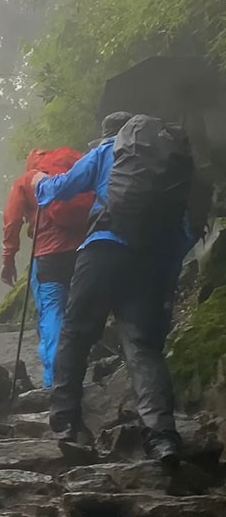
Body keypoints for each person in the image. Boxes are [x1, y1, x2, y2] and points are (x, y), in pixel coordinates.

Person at [32, 111, 199, 464]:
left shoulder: (107, 151)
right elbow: (183, 228)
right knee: (142, 346)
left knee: (76, 333)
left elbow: (57, 190)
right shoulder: (167, 163)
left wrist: (37, 183)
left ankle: (66, 425)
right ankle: (162, 437)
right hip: (150, 258)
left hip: (105, 247)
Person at [1, 148, 93, 388]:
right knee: (81, 310)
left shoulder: (27, 180)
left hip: (48, 256)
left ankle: (57, 381)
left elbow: (11, 222)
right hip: (84, 251)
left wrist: (8, 259)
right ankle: (83, 369)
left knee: (52, 313)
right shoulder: (74, 169)